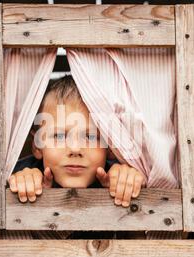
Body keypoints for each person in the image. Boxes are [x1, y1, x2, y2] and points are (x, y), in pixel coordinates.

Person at [8, 75, 147, 239]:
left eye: (90, 137)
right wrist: (28, 193)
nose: (75, 149)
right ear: (37, 146)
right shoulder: (21, 173)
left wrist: (129, 184)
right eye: (59, 136)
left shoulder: (116, 175)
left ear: (110, 146)